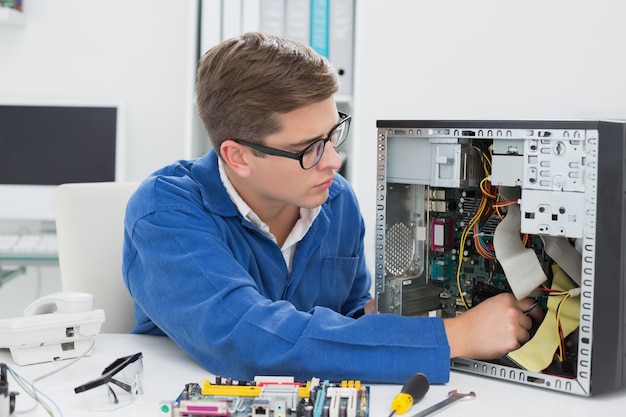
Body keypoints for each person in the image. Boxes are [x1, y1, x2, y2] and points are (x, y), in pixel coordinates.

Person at [122, 32, 540, 384]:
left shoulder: (335, 200)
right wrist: (454, 336)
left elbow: (348, 314)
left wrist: (389, 314)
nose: (333, 161)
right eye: (307, 149)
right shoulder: (165, 212)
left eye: (332, 132)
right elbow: (249, 341)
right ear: (238, 157)